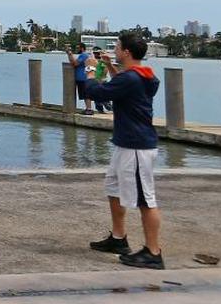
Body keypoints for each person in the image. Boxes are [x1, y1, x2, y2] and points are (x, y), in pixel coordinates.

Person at [84, 32, 164, 269]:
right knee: (113, 187)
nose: (115, 50)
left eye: (117, 47)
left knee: (145, 199)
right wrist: (109, 67)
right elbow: (123, 88)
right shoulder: (141, 75)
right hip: (126, 143)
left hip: (137, 146)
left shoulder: (130, 79)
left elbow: (97, 92)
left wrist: (90, 71)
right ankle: (119, 238)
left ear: (126, 52)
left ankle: (153, 252)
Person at [65, 43, 93, 114]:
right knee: (84, 95)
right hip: (80, 79)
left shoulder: (84, 55)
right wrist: (69, 54)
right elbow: (72, 62)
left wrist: (70, 54)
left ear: (82, 48)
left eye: (78, 48)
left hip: (83, 78)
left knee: (86, 94)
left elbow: (75, 63)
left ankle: (89, 109)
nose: (77, 49)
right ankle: (87, 108)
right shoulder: (82, 55)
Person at [91, 48, 112, 114]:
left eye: (97, 53)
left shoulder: (102, 61)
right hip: (95, 80)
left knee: (105, 98)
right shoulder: (94, 61)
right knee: (97, 98)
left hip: (102, 80)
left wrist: (102, 79)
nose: (96, 54)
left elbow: (105, 70)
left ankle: (111, 110)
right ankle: (100, 110)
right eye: (95, 53)